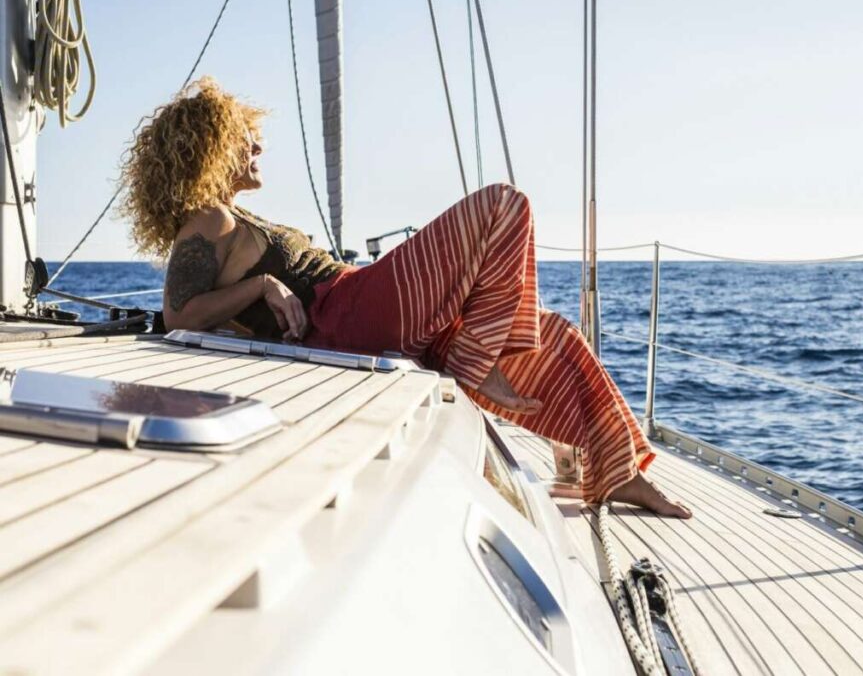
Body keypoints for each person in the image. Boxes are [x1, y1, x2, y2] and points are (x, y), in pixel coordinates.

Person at [121, 78, 691, 517]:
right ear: (213, 146)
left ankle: (619, 471)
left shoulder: (234, 217)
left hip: (356, 301)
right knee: (503, 205)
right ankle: (474, 365)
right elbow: (178, 316)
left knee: (556, 333)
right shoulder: (208, 218)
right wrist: (262, 285)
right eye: (245, 136)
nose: (258, 144)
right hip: (344, 315)